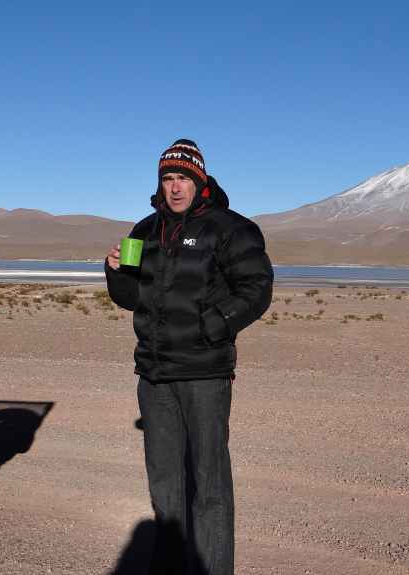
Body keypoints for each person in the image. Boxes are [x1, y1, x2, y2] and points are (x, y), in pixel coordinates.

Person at [105, 139, 273, 574]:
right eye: (168, 178)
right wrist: (114, 272)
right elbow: (130, 297)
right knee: (165, 483)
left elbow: (257, 288)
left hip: (204, 373)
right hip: (154, 375)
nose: (175, 187)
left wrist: (211, 327)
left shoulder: (230, 229)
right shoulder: (145, 230)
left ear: (199, 181)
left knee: (208, 483)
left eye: (182, 178)